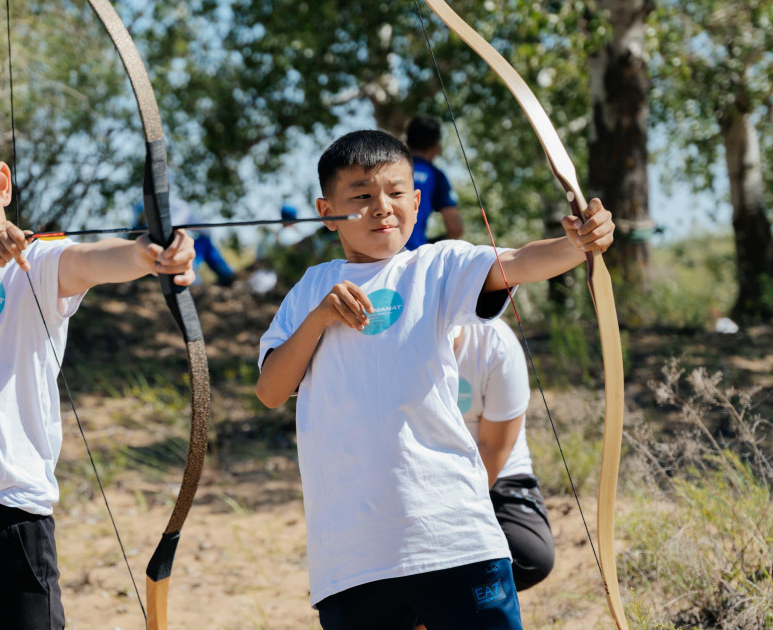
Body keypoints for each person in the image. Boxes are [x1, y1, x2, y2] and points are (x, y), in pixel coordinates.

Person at [254, 129, 613, 630]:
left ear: (417, 201)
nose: (382, 207)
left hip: (454, 539)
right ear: (326, 210)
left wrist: (578, 243)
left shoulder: (438, 266)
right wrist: (318, 318)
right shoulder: (311, 288)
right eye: (361, 196)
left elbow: (517, 262)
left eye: (396, 193)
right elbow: (271, 391)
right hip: (352, 558)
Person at [0, 122, 196, 629]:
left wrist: (148, 255)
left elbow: (93, 260)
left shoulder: (39, 261)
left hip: (10, 522)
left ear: (2, 184)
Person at [452, 320, 555, 591]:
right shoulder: (397, 343)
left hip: (495, 474)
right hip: (426, 471)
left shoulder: (497, 344)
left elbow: (493, 448)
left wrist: (449, 519)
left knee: (530, 555)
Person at [133, 186, 235, 286]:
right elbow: (207, 231)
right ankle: (228, 277)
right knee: (205, 243)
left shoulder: (139, 206)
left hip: (143, 262)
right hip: (166, 261)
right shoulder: (180, 207)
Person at [406, 115, 464, 249]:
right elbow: (456, 228)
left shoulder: (386, 169)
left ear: (406, 142)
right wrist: (427, 248)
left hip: (373, 258)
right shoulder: (435, 176)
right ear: (436, 146)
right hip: (412, 256)